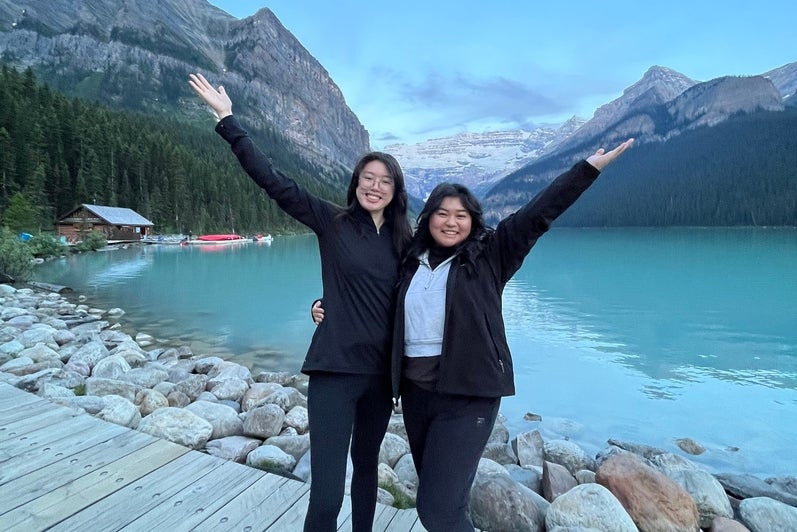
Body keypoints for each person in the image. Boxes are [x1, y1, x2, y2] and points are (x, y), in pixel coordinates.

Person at [314, 139, 633, 531]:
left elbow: (538, 214)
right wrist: (324, 304)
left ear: (473, 220)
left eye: (461, 215)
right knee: (446, 505)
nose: (451, 222)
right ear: (428, 218)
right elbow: (368, 289)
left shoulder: (492, 254)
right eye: (443, 214)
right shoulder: (410, 261)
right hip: (416, 397)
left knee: (437, 511)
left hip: (469, 397)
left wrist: (586, 170)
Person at [188, 73, 413, 532]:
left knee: (367, 473)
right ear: (356, 183)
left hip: (380, 378)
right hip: (333, 370)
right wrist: (227, 119)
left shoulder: (405, 241)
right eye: (367, 178)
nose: (374, 186)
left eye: (384, 181)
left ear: (395, 190)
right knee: (328, 489)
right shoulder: (331, 220)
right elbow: (273, 181)